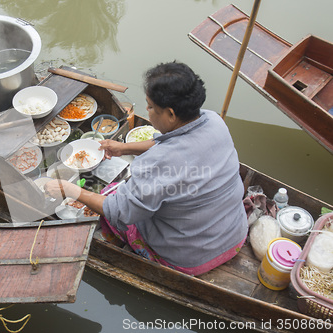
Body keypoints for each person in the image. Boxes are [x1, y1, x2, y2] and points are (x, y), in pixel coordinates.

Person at [45, 61, 248, 276]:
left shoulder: (159, 163)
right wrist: (123, 148)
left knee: (110, 199)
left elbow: (119, 211)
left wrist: (68, 189)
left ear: (170, 114)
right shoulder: (214, 121)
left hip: (190, 257)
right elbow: (171, 142)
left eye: (150, 107)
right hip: (234, 234)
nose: (148, 112)